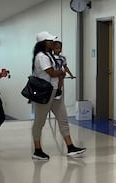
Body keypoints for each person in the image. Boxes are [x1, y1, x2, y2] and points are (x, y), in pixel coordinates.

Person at [30, 31, 86, 160]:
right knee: (39, 122)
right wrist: (61, 72)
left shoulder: (50, 55)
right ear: (44, 42)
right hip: (45, 93)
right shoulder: (41, 56)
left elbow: (58, 71)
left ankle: (70, 147)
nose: (52, 42)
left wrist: (61, 74)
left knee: (63, 119)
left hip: (56, 92)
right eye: (49, 40)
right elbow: (51, 73)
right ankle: (37, 150)